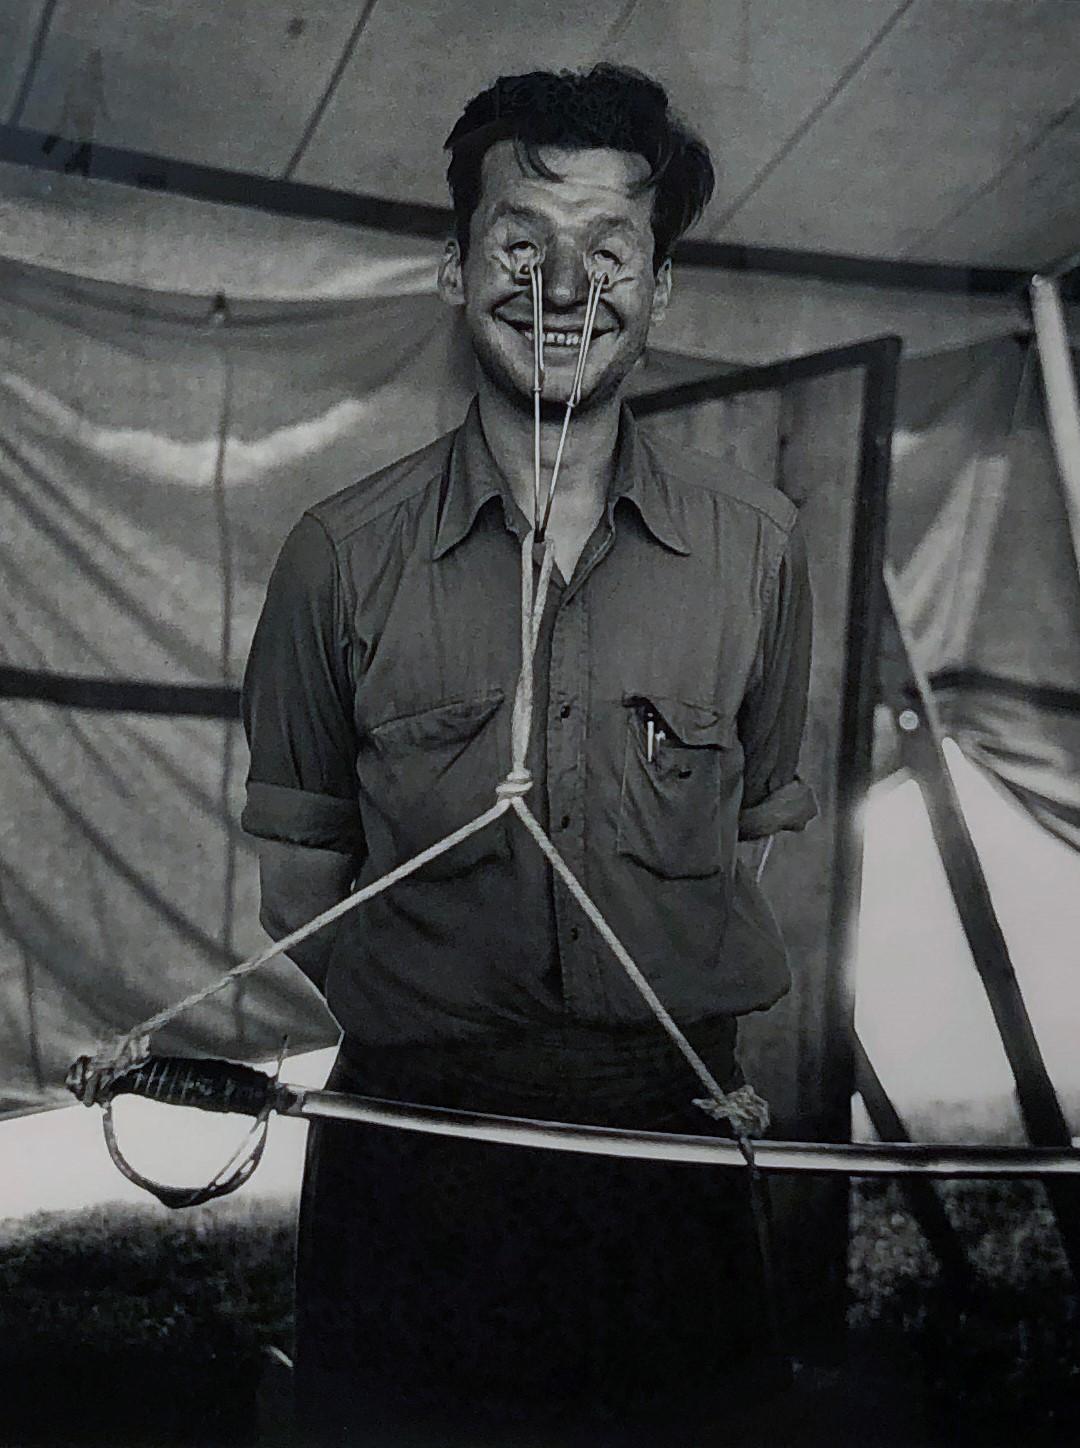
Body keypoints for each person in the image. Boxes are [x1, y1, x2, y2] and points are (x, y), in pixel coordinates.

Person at [241, 62, 816, 1447]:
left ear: (658, 285)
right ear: (453, 267)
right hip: (413, 1156)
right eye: (520, 243)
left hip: (665, 1142)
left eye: (609, 249)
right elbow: (301, 886)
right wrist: (447, 1043)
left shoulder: (759, 550)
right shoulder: (338, 557)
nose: (564, 287)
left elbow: (746, 840)